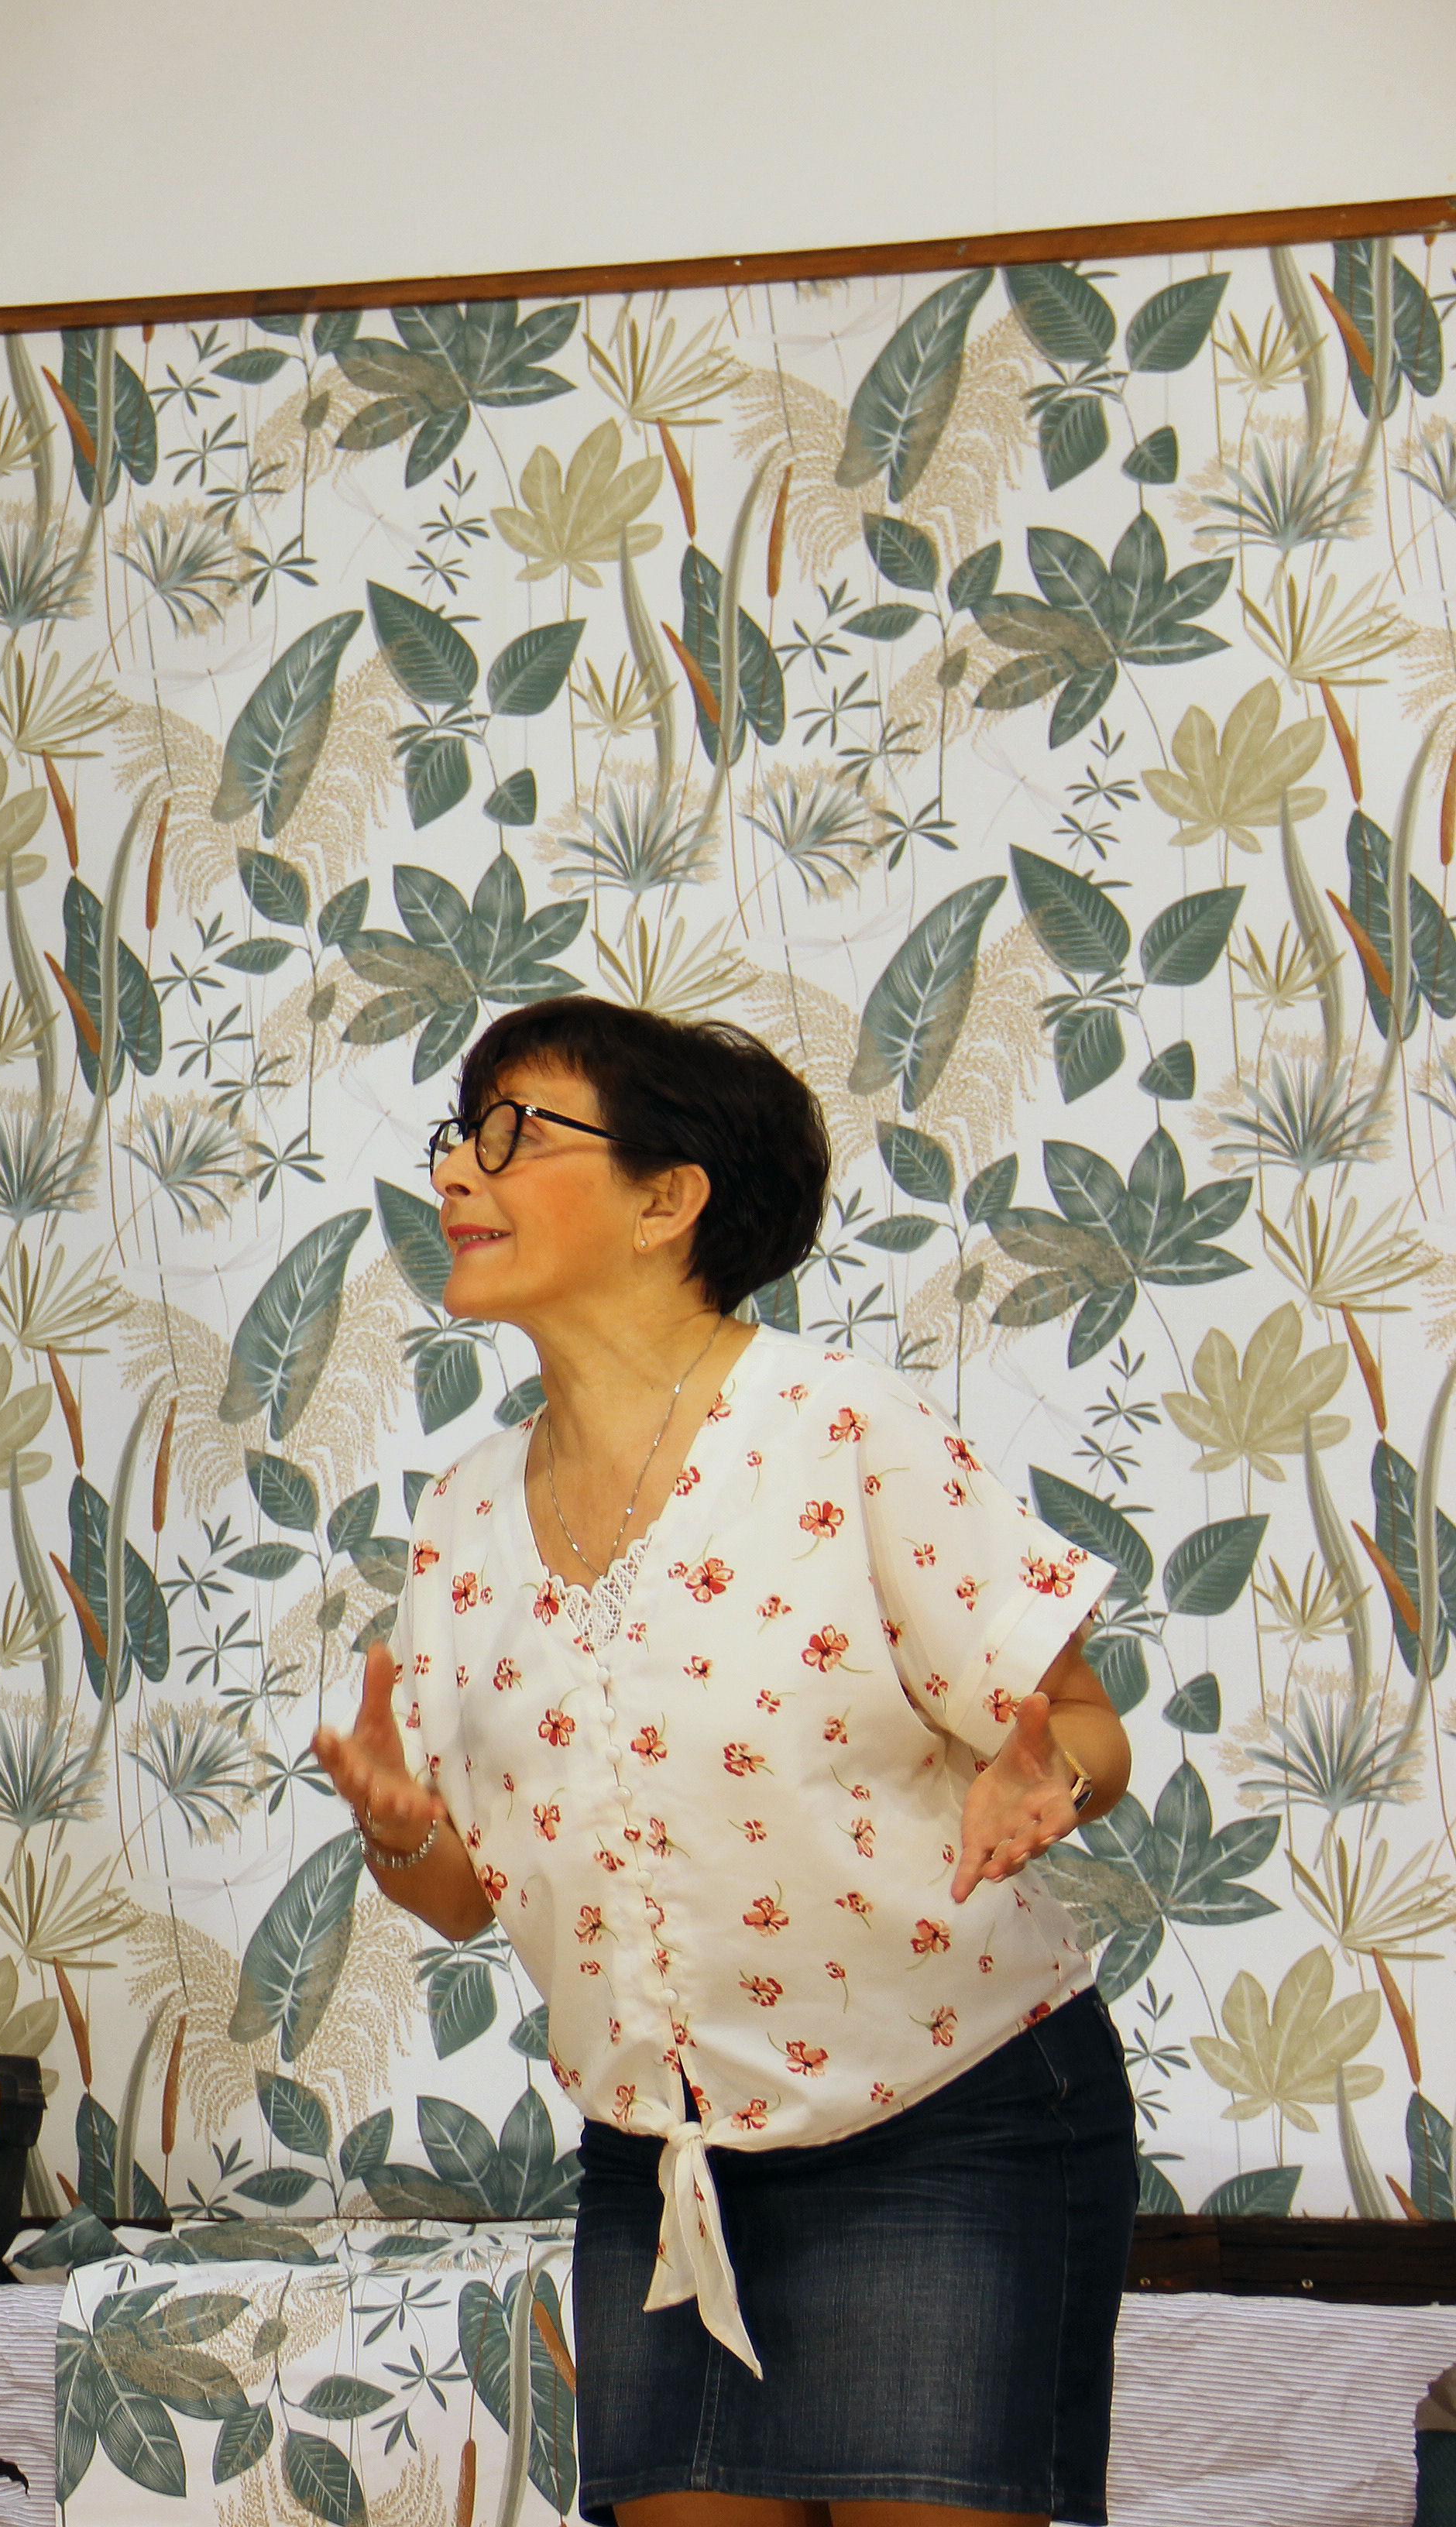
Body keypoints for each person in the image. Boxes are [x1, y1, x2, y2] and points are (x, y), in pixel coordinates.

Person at [311, 996, 1134, 2527]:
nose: (456, 1175)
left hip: (942, 2123)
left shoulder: (843, 1430)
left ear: (667, 1199)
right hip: (660, 2160)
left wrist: (1054, 1780)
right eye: (458, 1136)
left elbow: (1084, 1726)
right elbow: (460, 1899)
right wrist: (400, 1830)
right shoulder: (463, 1516)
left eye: (513, 1134)